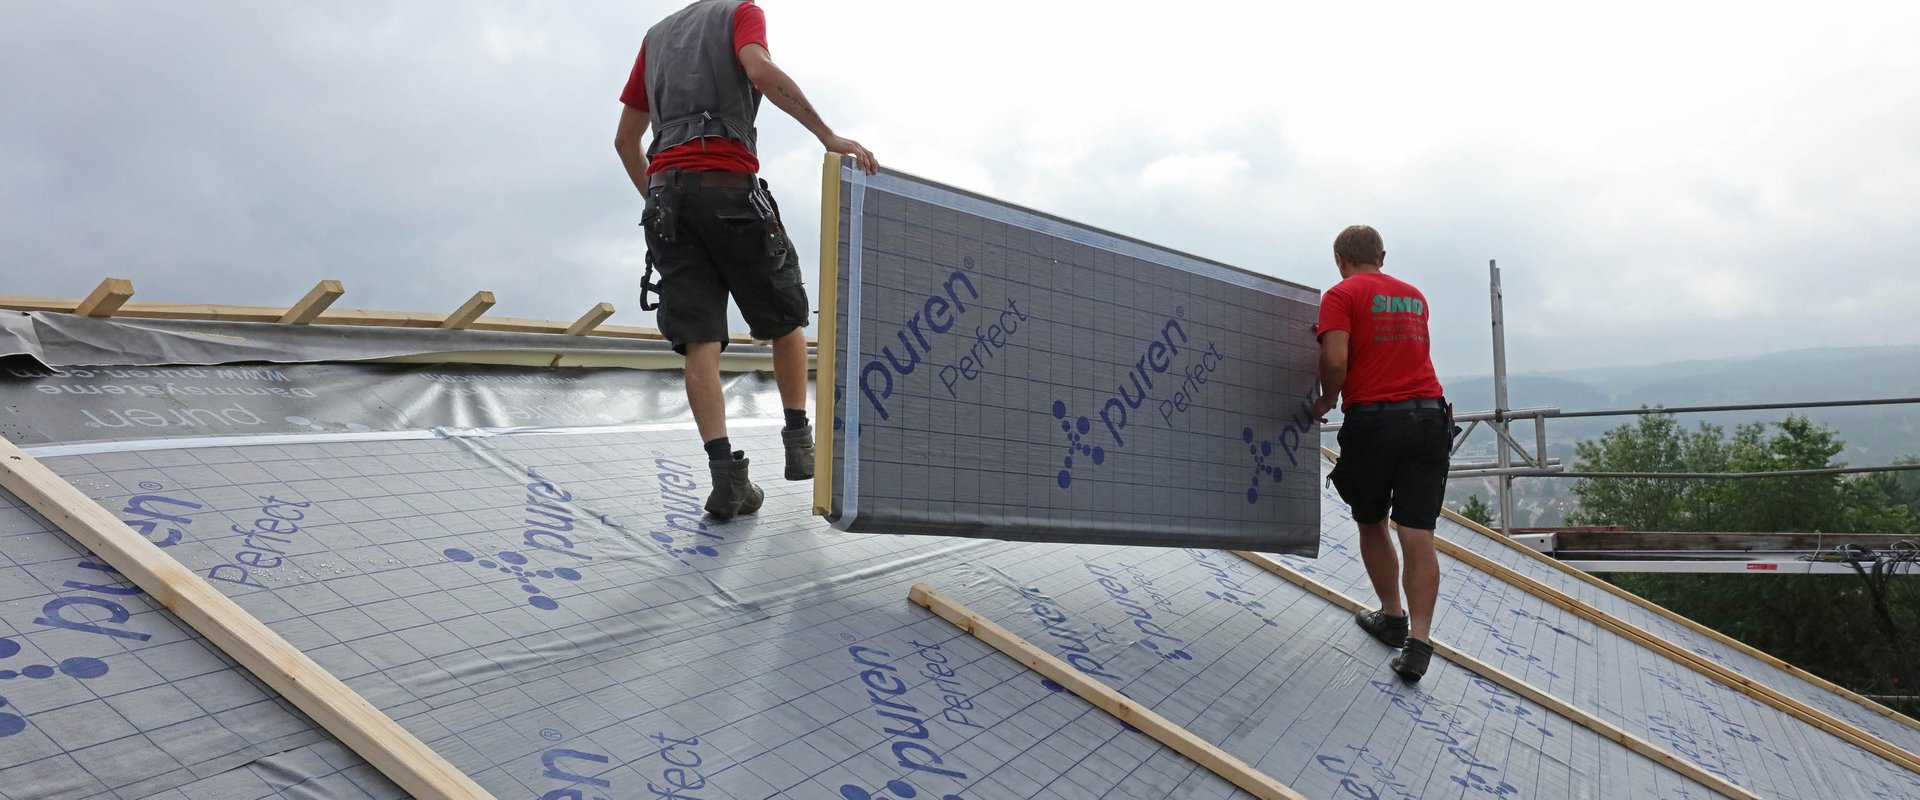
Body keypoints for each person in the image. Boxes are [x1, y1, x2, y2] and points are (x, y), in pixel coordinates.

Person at [614, 0, 878, 519]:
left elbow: (626, 140)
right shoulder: (742, 12)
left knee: (699, 340)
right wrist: (827, 135)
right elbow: (757, 68)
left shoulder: (656, 37)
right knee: (785, 315)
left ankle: (727, 481)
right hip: (729, 192)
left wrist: (658, 197)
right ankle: (799, 443)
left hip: (667, 202)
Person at [1308, 225, 1452, 682]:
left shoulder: (1341, 295)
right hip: (1430, 417)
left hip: (1376, 421)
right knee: (1417, 532)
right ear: (1382, 256)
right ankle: (1421, 641)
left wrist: (1325, 399)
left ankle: (1392, 618)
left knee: (1371, 519)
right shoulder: (1414, 297)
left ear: (1339, 259)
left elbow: (1335, 358)